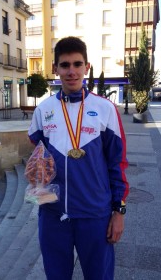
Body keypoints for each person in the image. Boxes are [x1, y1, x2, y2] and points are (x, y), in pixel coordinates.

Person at [28, 36, 129, 280]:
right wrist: (38, 189)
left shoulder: (105, 109)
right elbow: (37, 157)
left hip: (95, 215)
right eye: (64, 65)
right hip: (53, 215)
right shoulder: (44, 110)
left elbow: (118, 165)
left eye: (77, 64)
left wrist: (119, 212)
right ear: (56, 69)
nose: (71, 71)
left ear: (87, 66)